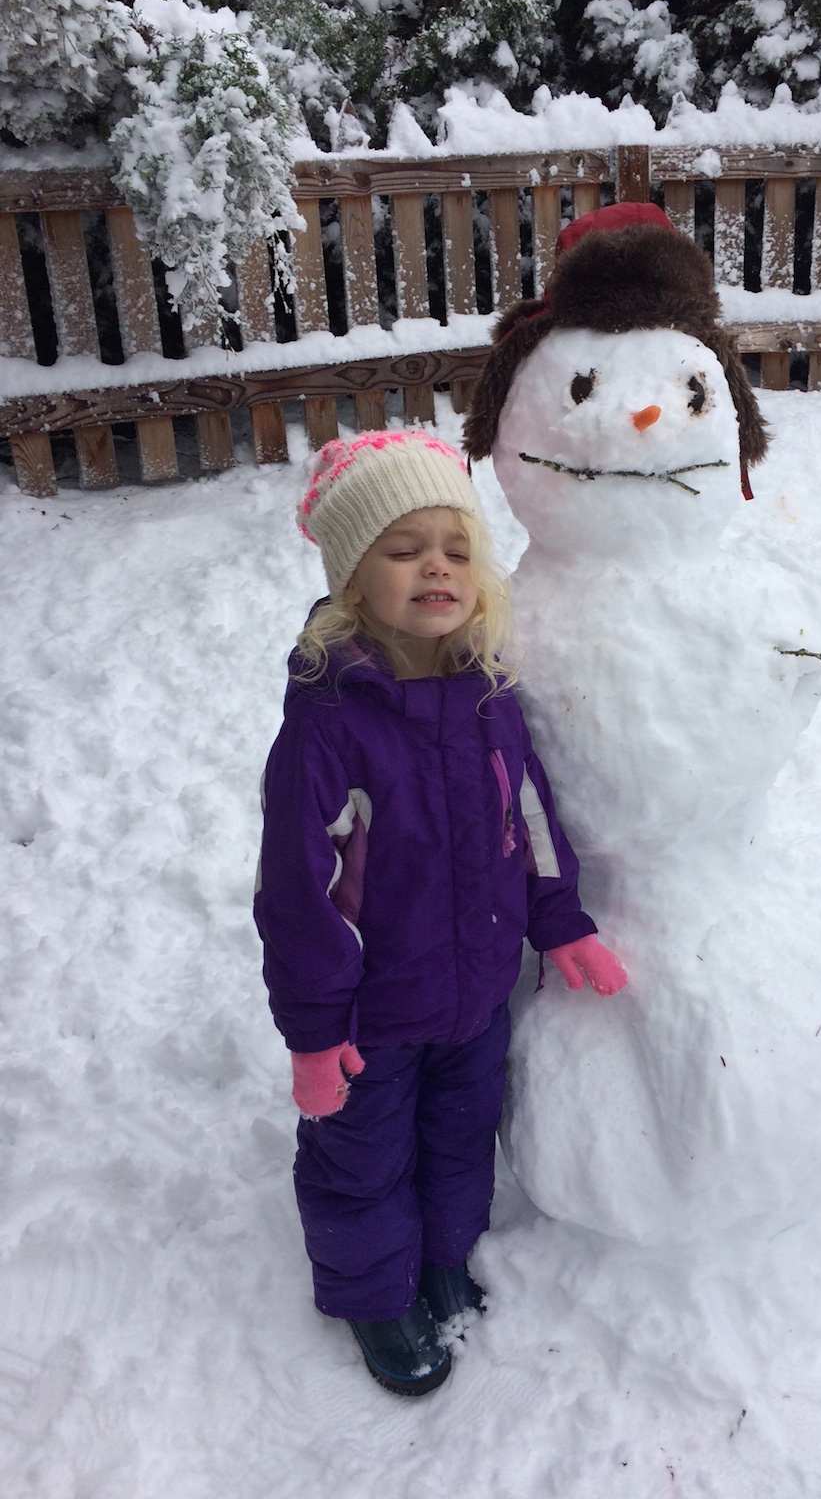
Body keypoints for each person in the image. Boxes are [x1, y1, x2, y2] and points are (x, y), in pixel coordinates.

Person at [254, 427, 626, 1397]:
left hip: (474, 991)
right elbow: (299, 893)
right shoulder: (329, 724)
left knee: (460, 1136)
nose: (437, 568)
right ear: (352, 577)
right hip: (370, 1015)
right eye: (403, 547)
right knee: (362, 1154)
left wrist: (561, 918)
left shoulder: (484, 691)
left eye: (456, 550)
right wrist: (312, 1032)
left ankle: (443, 1258)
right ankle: (374, 1294)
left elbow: (531, 814)